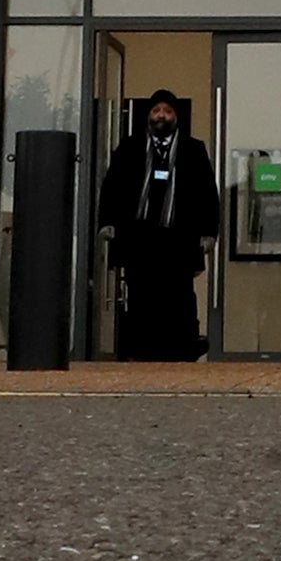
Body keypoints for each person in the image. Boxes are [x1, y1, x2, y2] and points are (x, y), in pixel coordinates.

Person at [96, 86, 219, 359]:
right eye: (156, 110)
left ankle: (181, 350)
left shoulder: (193, 149)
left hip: (179, 238)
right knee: (141, 295)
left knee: (179, 297)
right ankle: (143, 350)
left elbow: (207, 192)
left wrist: (209, 232)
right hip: (140, 238)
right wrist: (107, 222)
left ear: (176, 116)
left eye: (167, 110)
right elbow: (112, 186)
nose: (161, 115)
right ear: (148, 115)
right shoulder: (129, 148)